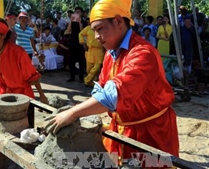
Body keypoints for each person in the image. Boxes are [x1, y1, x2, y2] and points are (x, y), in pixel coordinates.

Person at [45, 0, 179, 166]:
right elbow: (100, 91)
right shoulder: (110, 53)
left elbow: (112, 96)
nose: (96, 37)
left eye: (100, 29)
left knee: (150, 165)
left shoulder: (143, 53)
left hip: (151, 133)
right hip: (121, 129)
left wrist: (73, 113)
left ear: (117, 21)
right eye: (94, 31)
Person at [79, 18, 104, 87]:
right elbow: (80, 34)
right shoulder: (87, 28)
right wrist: (83, 43)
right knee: (89, 69)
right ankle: (91, 82)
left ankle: (86, 81)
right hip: (90, 50)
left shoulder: (101, 28)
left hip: (99, 50)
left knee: (97, 68)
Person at [66, 6, 87, 83]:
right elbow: (68, 30)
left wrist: (79, 22)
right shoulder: (72, 21)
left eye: (78, 12)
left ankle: (81, 77)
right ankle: (72, 77)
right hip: (72, 42)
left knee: (81, 61)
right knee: (71, 60)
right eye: (76, 12)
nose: (77, 13)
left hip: (80, 43)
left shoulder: (84, 22)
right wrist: (71, 21)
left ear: (81, 13)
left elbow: (83, 32)